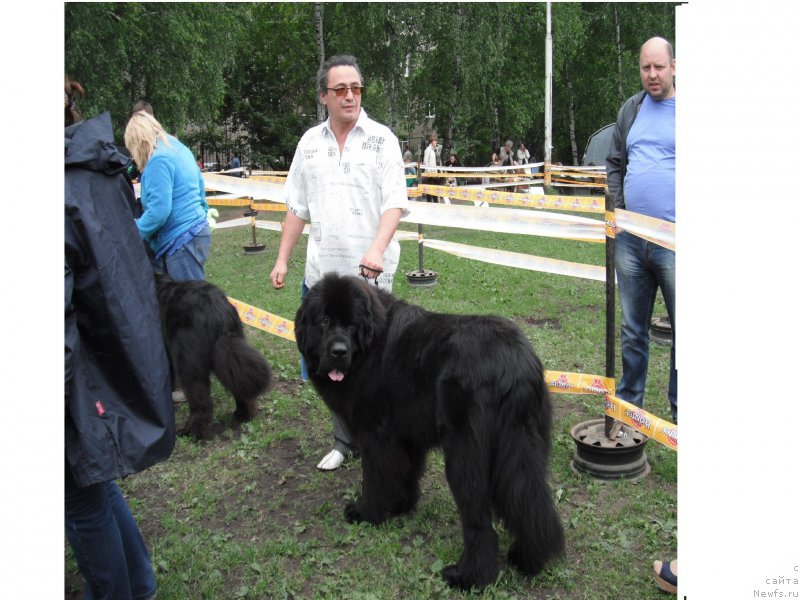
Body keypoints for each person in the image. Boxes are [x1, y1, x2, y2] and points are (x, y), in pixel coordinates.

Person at [269, 54, 409, 471]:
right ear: (323, 96)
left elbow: (394, 203)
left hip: (370, 283)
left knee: (373, 366)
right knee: (329, 359)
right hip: (322, 281)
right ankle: (342, 441)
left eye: (356, 88)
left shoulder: (383, 139)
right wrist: (281, 259)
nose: (350, 96)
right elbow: (296, 208)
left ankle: (377, 439)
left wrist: (377, 250)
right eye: (341, 89)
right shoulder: (309, 144)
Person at [65, 75, 175, 600]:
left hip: (80, 365)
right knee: (93, 481)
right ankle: (140, 587)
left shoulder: (70, 178)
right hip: (103, 350)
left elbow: (154, 215)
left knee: (79, 494)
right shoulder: (97, 167)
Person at [606, 35, 676, 424]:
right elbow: (615, 162)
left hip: (677, 242)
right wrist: (618, 209)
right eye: (646, 67)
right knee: (633, 332)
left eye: (659, 67)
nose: (652, 75)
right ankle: (631, 412)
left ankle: (679, 415)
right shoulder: (631, 109)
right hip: (633, 241)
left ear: (674, 67)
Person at [124, 111, 211, 281]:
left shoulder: (158, 159)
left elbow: (159, 212)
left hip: (180, 239)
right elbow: (200, 189)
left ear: (138, 142)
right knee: (192, 296)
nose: (134, 156)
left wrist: (132, 232)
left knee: (187, 302)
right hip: (197, 230)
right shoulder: (178, 148)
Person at [423, 132, 441, 202]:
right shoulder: (427, 150)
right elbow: (425, 162)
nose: (436, 142)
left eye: (436, 141)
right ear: (431, 142)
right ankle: (429, 204)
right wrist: (429, 173)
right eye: (435, 141)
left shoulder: (435, 150)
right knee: (429, 191)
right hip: (430, 175)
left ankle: (436, 203)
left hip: (435, 173)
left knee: (435, 190)